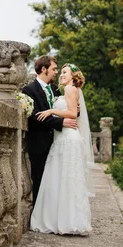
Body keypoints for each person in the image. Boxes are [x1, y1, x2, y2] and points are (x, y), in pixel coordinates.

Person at [30, 63, 95, 235]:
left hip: (68, 138)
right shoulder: (66, 90)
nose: (61, 75)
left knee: (67, 179)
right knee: (64, 179)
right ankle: (66, 220)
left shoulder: (69, 89)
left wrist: (51, 110)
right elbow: (74, 111)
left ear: (74, 76)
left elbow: (73, 114)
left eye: (64, 72)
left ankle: (68, 221)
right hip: (62, 138)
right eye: (60, 72)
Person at [22, 56, 77, 205]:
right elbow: (35, 116)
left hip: (58, 142)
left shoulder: (54, 89)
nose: (56, 72)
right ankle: (38, 217)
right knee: (39, 181)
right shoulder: (29, 90)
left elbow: (66, 109)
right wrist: (61, 122)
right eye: (54, 69)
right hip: (39, 143)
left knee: (56, 182)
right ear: (44, 69)